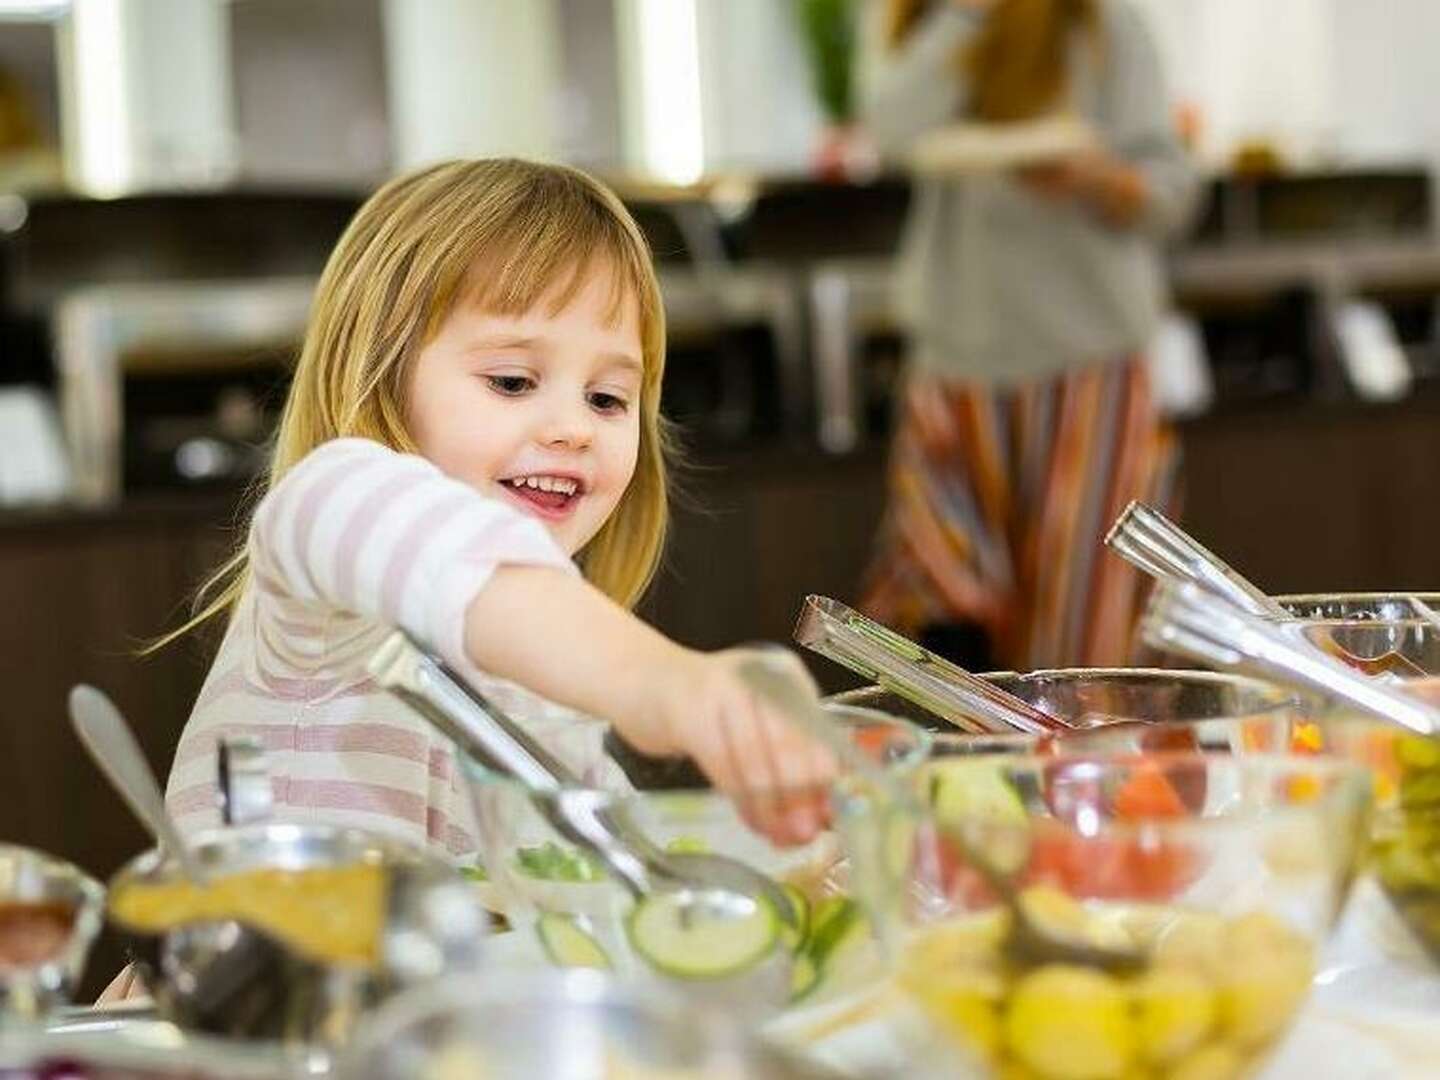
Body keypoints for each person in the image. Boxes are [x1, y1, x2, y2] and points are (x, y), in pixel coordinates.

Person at [157, 158, 836, 862]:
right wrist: (670, 685)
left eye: (606, 398)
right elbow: (450, 556)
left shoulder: (558, 706)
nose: (572, 427)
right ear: (379, 381)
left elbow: (620, 891)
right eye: (512, 381)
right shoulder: (329, 505)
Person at [857, 0, 1200, 670]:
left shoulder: (1103, 27)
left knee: (1085, 634)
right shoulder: (937, 22)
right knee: (940, 627)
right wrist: (969, 17)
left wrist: (1095, 178)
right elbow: (892, 132)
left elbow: (1172, 193)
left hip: (1091, 369)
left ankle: (1087, 775)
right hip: (954, 367)